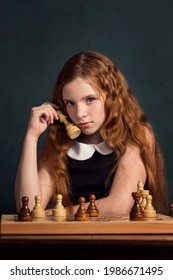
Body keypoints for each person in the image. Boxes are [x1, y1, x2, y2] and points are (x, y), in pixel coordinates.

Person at [15, 50, 167, 215]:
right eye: (70, 103)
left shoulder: (136, 133)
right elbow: (28, 208)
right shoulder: (61, 141)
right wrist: (32, 136)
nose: (79, 113)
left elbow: (119, 205)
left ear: (112, 95)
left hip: (120, 239)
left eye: (90, 100)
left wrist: (54, 213)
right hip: (72, 240)